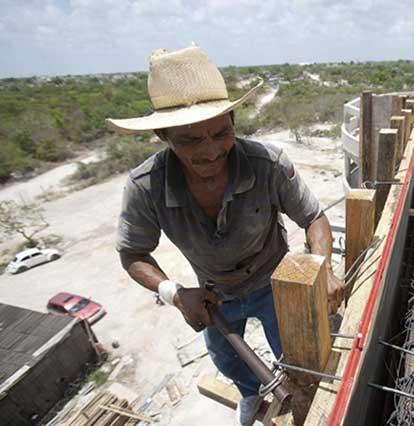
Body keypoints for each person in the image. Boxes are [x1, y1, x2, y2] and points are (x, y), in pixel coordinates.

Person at [106, 44, 344, 426]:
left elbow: (313, 218)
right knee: (228, 359)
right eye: (189, 140)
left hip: (274, 282)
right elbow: (133, 253)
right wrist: (177, 295)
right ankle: (251, 394)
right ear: (162, 136)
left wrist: (323, 269)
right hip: (215, 294)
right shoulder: (145, 186)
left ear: (233, 120)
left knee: (300, 355)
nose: (211, 151)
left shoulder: (267, 164)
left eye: (221, 133)